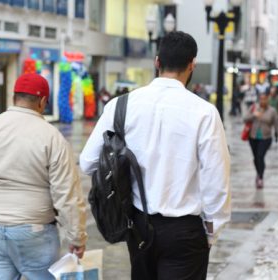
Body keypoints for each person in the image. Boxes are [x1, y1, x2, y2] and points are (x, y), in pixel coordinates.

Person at [80, 31, 231, 280]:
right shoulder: (204, 112)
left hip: (138, 224)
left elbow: (88, 162)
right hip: (184, 229)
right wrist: (212, 232)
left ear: (157, 61)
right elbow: (217, 179)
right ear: (192, 64)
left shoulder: (120, 106)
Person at [0, 73, 87, 279]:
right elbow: (67, 192)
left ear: (13, 98)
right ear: (43, 102)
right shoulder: (52, 137)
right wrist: (76, 237)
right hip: (35, 231)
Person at [244, 93, 278, 189]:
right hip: (253, 137)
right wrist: (254, 115)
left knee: (260, 156)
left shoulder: (272, 111)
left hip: (266, 138)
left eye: (264, 99)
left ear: (267, 100)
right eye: (261, 99)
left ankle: (260, 177)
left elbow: (277, 126)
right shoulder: (254, 107)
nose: (263, 101)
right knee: (256, 158)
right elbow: (245, 118)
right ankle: (258, 173)